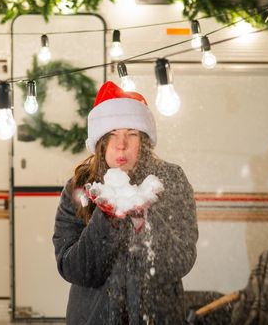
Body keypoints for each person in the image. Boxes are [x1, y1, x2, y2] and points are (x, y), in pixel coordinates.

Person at [53, 81, 198, 324]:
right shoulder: (79, 188)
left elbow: (182, 259)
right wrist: (106, 221)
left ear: (144, 140)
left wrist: (144, 226)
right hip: (94, 317)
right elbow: (75, 269)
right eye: (112, 135)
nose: (121, 145)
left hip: (157, 317)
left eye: (131, 134)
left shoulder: (170, 180)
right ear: (100, 142)